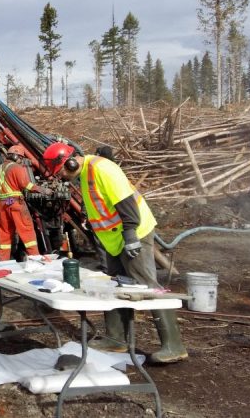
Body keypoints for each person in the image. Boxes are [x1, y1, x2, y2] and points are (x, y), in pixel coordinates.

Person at [42, 142, 187, 363]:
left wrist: (130, 236)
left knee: (147, 286)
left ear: (70, 162)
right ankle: (116, 339)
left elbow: (126, 201)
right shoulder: (83, 175)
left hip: (132, 233)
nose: (61, 177)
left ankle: (174, 345)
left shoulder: (102, 168)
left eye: (61, 171)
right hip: (112, 239)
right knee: (116, 285)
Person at [0, 146, 50, 261]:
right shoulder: (17, 168)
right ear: (16, 156)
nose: (20, 161)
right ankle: (35, 258)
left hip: (3, 205)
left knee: (4, 234)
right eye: (20, 158)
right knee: (27, 230)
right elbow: (26, 185)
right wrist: (43, 190)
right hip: (15, 203)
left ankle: (2, 261)